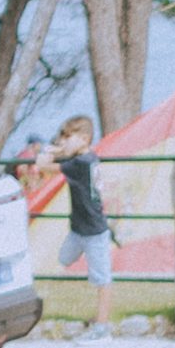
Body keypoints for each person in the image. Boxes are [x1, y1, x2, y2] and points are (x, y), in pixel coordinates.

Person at [36, 116, 116, 316]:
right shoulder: (89, 157)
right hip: (79, 228)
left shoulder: (78, 164)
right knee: (64, 258)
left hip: (94, 231)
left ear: (84, 138)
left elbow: (42, 165)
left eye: (67, 138)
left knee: (101, 278)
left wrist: (50, 150)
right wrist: (64, 150)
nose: (62, 142)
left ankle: (102, 325)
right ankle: (87, 254)